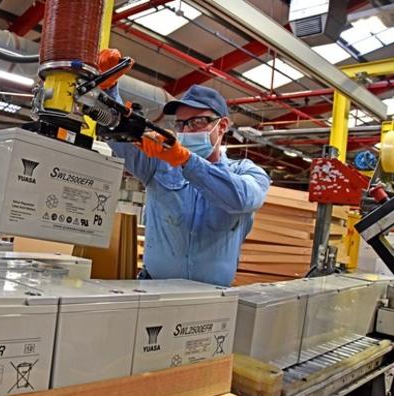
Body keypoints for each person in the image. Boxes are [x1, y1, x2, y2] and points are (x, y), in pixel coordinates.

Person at [100, 49, 271, 287]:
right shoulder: (159, 163)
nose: (186, 130)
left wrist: (185, 160)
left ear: (222, 126)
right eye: (181, 124)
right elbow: (120, 138)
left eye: (197, 122)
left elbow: (241, 199)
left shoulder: (247, 172)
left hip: (211, 296)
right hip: (155, 290)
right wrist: (108, 89)